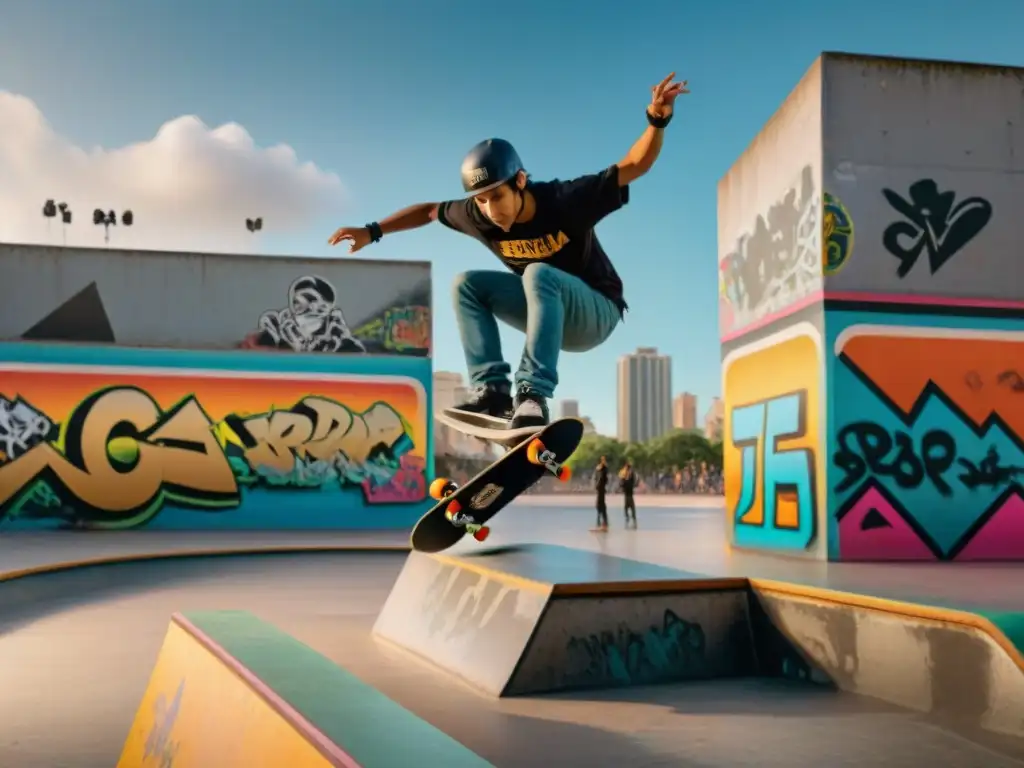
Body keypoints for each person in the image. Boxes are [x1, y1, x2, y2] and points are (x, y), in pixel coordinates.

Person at [328, 73, 689, 434]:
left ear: (520, 181)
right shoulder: (476, 215)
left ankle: (531, 394)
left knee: (537, 272)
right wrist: (372, 231)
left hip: (596, 312)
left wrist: (657, 120)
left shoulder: (566, 200)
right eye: (480, 200)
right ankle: (493, 392)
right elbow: (428, 211)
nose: (489, 210)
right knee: (466, 285)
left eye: (496, 197)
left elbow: (634, 166)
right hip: (548, 314)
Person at [619, 461, 638, 529]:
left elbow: (622, 482)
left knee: (628, 507)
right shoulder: (626, 473)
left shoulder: (629, 473)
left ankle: (631, 519)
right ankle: (632, 520)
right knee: (629, 507)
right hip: (628, 493)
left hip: (628, 493)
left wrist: (622, 484)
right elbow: (622, 482)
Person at [594, 455, 609, 531]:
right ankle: (600, 522)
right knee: (599, 505)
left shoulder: (604, 469)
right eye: (602, 459)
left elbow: (604, 479)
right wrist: (596, 485)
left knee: (601, 505)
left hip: (602, 489)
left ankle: (604, 523)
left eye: (604, 459)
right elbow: (597, 478)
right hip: (600, 489)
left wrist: (598, 485)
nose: (603, 461)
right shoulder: (598, 469)